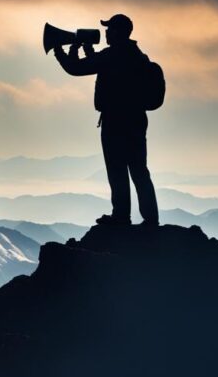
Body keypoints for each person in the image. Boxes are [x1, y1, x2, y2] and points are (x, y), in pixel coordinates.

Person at [53, 14, 159, 226]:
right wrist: (87, 51)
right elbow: (97, 65)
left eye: (110, 29)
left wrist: (61, 50)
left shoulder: (112, 55)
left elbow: (76, 68)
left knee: (117, 168)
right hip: (136, 121)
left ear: (118, 32)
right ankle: (150, 219)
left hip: (115, 121)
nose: (106, 33)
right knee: (139, 170)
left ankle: (121, 216)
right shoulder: (137, 56)